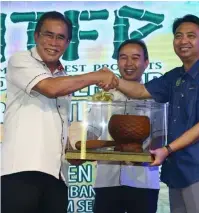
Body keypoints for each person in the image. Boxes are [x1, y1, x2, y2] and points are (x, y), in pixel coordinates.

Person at [101, 14, 199, 213]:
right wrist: (109, 79)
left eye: (191, 36)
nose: (183, 41)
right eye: (178, 36)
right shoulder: (174, 77)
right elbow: (140, 91)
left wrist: (167, 149)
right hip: (176, 171)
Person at [1, 11, 118, 213]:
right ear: (36, 36)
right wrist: (97, 75)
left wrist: (75, 153)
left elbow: (56, 128)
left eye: (61, 37)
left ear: (68, 43)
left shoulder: (64, 78)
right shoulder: (20, 60)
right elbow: (50, 88)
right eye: (48, 35)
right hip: (21, 173)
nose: (54, 42)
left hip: (57, 177)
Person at [92, 39, 160, 213]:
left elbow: (161, 137)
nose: (129, 63)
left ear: (146, 63)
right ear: (117, 62)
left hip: (143, 181)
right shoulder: (104, 97)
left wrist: (141, 152)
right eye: (123, 57)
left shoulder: (156, 98)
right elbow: (91, 131)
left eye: (135, 57)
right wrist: (80, 146)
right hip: (107, 180)